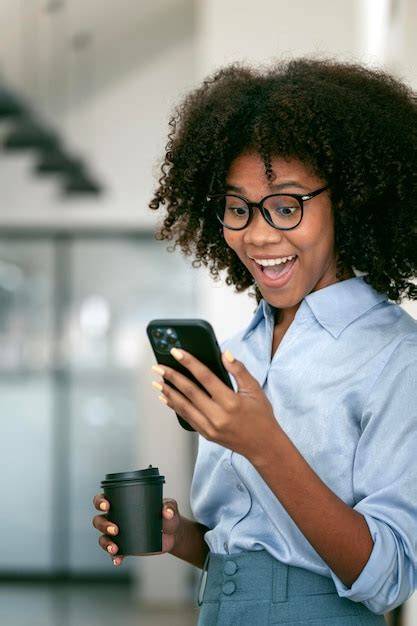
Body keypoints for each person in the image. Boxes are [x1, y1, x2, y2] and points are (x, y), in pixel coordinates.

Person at [93, 58, 417, 625]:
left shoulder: (394, 355)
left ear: (349, 202)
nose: (259, 234)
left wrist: (263, 443)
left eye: (287, 205)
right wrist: (180, 537)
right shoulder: (245, 348)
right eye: (238, 208)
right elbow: (256, 547)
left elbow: (387, 578)